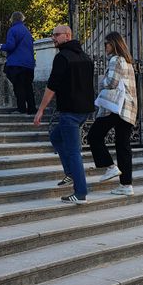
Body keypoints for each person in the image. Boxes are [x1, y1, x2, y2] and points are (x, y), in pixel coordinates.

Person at [34, 25, 95, 205]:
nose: (53, 38)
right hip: (84, 111)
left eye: (56, 35)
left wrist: (41, 109)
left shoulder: (62, 57)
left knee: (74, 152)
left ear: (67, 36)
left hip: (70, 113)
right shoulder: (85, 57)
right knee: (55, 137)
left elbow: (51, 86)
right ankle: (70, 173)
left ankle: (81, 192)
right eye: (52, 34)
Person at [87, 31, 138, 196]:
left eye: (106, 44)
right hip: (129, 108)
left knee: (94, 136)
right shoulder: (128, 62)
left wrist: (101, 81)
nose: (105, 47)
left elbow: (112, 82)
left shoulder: (116, 59)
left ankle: (110, 167)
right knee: (123, 146)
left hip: (116, 108)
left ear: (114, 44)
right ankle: (126, 185)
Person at [0, 11, 36, 114]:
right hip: (29, 65)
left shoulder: (12, 30)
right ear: (22, 19)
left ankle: (21, 109)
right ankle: (32, 109)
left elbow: (11, 46)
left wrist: (1, 46)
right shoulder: (27, 31)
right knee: (28, 87)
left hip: (17, 64)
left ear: (12, 19)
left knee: (18, 86)